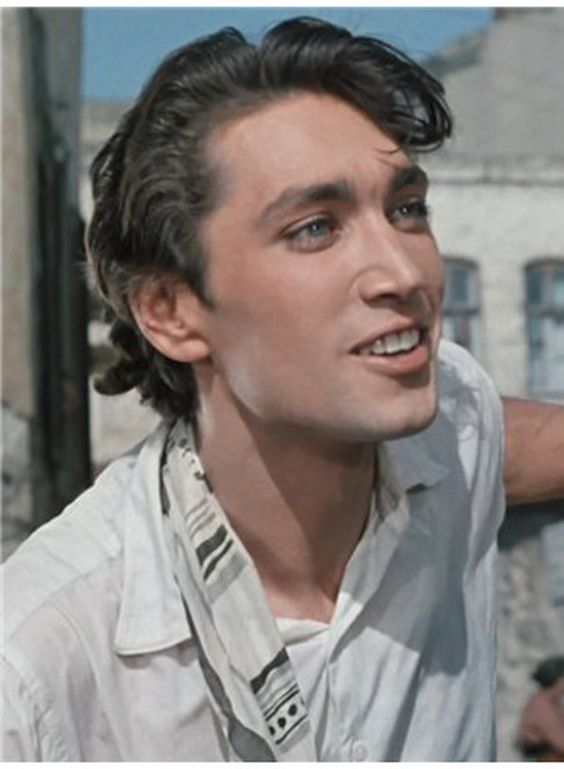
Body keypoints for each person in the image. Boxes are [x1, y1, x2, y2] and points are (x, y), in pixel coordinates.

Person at [2, 17, 564, 761]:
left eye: (406, 209)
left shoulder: (449, 433)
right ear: (170, 310)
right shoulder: (40, 670)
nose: (404, 273)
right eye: (315, 228)